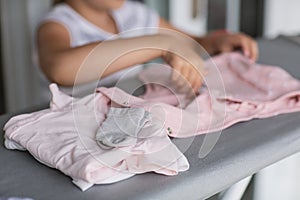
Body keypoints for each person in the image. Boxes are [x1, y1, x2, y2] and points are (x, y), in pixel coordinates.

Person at [37, 0, 258, 95]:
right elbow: (60, 68)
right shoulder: (57, 25)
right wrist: (160, 43)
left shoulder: (134, 14)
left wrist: (216, 42)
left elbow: (192, 44)